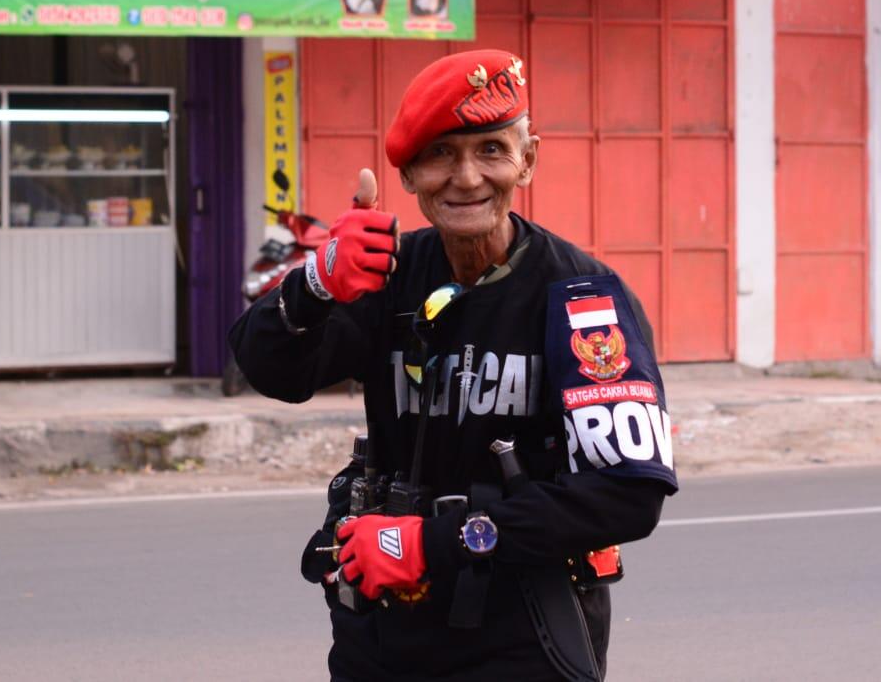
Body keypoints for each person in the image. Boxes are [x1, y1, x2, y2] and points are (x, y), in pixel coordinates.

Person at [228, 49, 677, 681]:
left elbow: (627, 497)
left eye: (491, 149)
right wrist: (316, 283)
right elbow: (269, 369)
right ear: (408, 175)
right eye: (440, 154)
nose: (466, 177)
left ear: (529, 160)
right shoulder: (385, 276)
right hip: (381, 636)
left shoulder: (584, 298)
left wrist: (433, 545)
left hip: (525, 636)